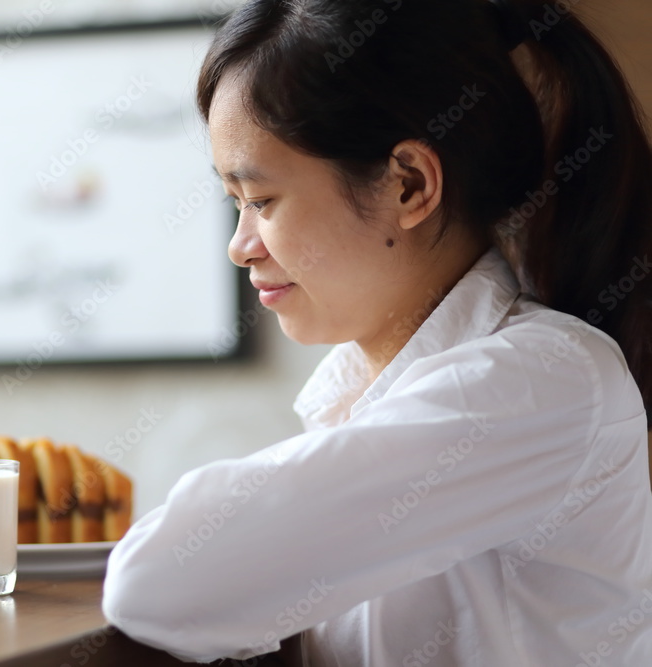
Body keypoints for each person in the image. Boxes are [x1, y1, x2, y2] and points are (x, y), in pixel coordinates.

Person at [101, 0, 652, 664]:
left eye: (263, 200)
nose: (241, 245)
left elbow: (155, 585)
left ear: (410, 184)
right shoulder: (368, 394)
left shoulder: (541, 379)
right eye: (234, 204)